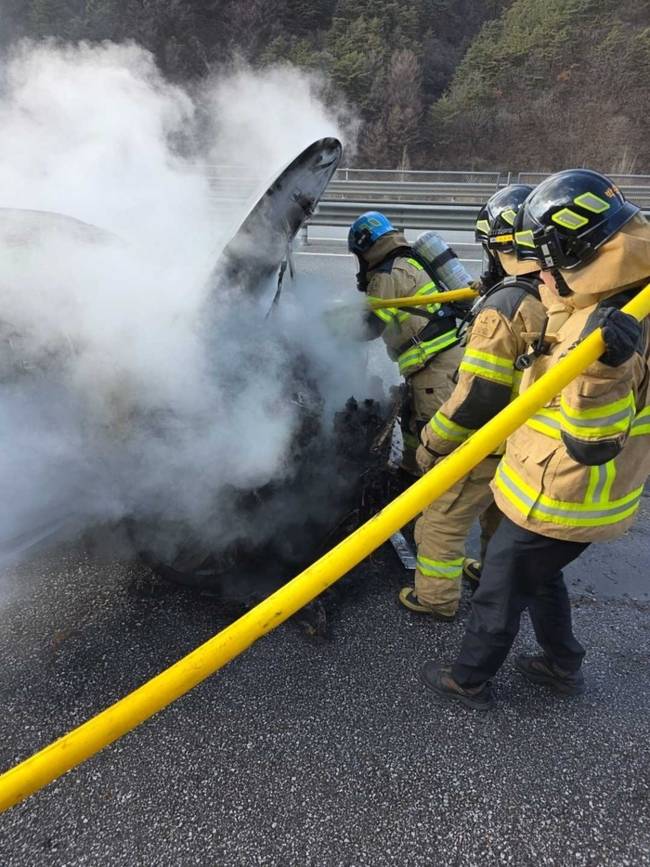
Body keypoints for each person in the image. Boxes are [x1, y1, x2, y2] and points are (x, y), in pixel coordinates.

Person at [420, 169, 650, 709]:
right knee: (542, 581)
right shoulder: (614, 296)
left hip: (563, 494)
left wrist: (603, 369)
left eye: (546, 261)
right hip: (563, 496)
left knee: (498, 591)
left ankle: (468, 678)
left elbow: (592, 442)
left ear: (580, 254)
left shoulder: (613, 333)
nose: (538, 272)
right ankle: (561, 663)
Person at [399, 185, 546, 619]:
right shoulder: (558, 293)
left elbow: (479, 395)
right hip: (528, 442)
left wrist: (433, 442)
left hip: (489, 440)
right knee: (501, 515)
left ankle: (436, 598)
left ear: (501, 246)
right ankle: (493, 574)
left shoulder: (503, 306)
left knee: (441, 518)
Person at [348, 211, 465, 476]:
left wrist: (330, 333)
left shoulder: (387, 274)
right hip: (436, 365)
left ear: (366, 247)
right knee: (416, 434)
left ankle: (433, 505)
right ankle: (409, 488)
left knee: (433, 440)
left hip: (434, 370)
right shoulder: (409, 261)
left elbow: (370, 327)